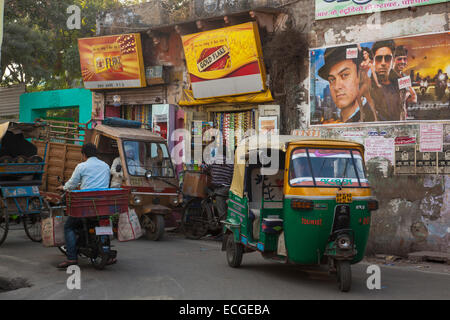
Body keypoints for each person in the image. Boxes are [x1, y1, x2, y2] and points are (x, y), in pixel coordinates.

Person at [56, 143, 111, 269]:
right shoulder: (105, 166)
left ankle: (71, 258)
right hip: (103, 206)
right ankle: (107, 252)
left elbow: (72, 184)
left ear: (84, 154)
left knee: (68, 227)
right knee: (103, 222)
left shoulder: (81, 167)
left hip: (86, 207)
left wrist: (63, 187)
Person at [318, 45, 375, 123]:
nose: (337, 87)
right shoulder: (332, 120)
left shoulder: (372, 118)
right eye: (332, 80)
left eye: (344, 75)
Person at [369, 40, 404, 121]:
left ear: (392, 62)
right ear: (373, 62)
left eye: (387, 58)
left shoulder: (400, 83)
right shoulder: (368, 87)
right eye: (379, 58)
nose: (383, 63)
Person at [202, 146, 234, 222]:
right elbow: (232, 176)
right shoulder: (231, 162)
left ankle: (223, 228)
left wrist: (202, 165)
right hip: (228, 188)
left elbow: (204, 168)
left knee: (221, 211)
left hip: (219, 189)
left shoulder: (213, 160)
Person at [390, 45, 417, 119]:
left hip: (402, 117)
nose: (402, 62)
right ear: (393, 60)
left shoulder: (403, 76)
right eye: (399, 59)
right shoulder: (388, 75)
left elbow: (414, 98)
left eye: (405, 59)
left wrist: (405, 96)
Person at [358, 46, 380, 121]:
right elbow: (359, 74)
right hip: (361, 82)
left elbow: (374, 74)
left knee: (358, 96)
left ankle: (362, 115)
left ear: (368, 54)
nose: (364, 55)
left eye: (365, 53)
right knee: (369, 100)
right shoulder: (362, 63)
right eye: (363, 54)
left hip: (367, 82)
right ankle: (375, 116)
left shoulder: (370, 63)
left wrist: (377, 84)